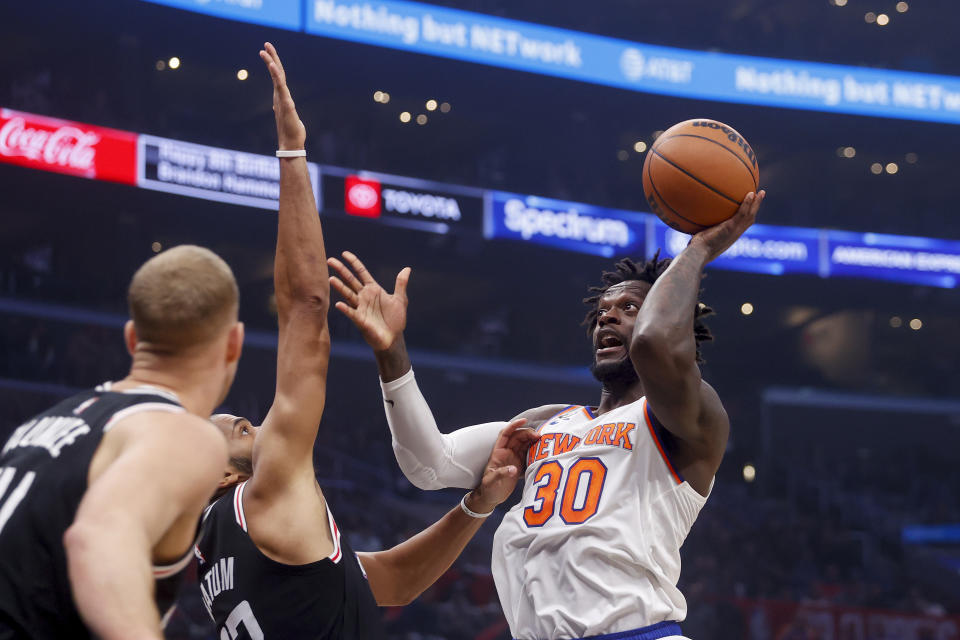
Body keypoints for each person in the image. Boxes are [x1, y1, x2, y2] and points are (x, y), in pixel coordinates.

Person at [194, 43, 537, 640]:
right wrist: (293, 149)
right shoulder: (266, 491)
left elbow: (388, 584)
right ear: (224, 476)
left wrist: (478, 504)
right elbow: (305, 308)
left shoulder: (214, 551)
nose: (255, 423)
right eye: (242, 429)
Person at [328, 189, 766, 640]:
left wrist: (698, 250)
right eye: (601, 313)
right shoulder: (546, 420)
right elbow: (426, 465)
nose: (607, 319)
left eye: (628, 308)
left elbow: (654, 343)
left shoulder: (689, 416)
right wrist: (391, 354)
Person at [0, 244, 242, 639]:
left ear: (132, 339)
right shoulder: (182, 433)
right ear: (234, 342)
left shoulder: (43, 424)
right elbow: (98, 538)